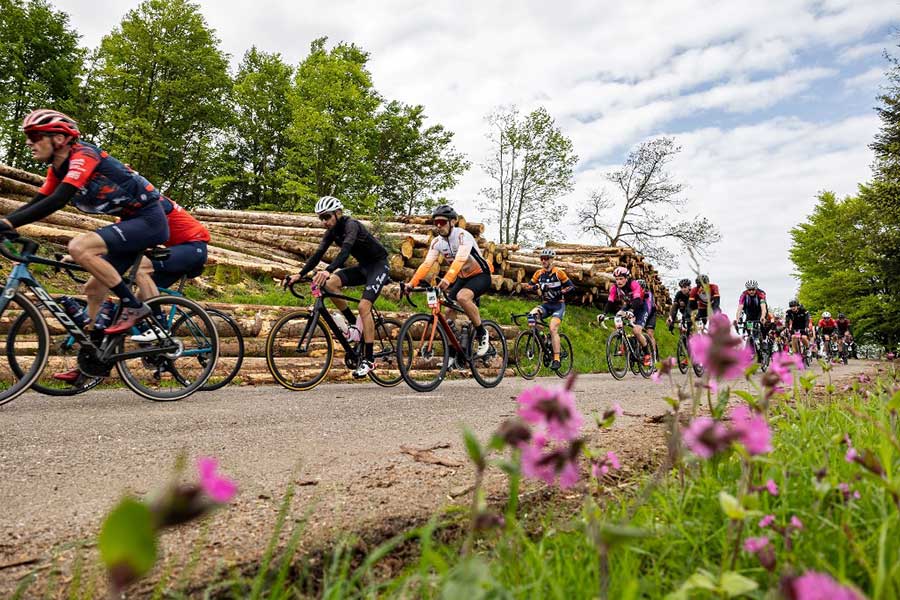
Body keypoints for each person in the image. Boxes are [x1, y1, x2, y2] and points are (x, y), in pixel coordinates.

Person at [0, 109, 169, 336]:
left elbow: (59, 199)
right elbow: (38, 202)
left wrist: (8, 224)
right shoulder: (57, 169)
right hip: (130, 222)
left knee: (80, 246)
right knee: (93, 290)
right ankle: (92, 360)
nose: (30, 143)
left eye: (36, 136)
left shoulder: (84, 155)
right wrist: (7, 222)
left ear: (59, 139)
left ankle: (133, 306)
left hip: (148, 220)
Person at [284, 195, 389, 378]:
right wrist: (299, 274)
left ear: (338, 213)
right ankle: (354, 326)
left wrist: (328, 269)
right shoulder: (332, 232)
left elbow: (346, 251)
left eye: (327, 217)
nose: (324, 222)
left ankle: (369, 359)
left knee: (364, 306)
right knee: (330, 284)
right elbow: (317, 254)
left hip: (379, 266)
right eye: (321, 218)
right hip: (363, 267)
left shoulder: (351, 225)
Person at [407, 205, 494, 357]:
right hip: (462, 277)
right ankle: (454, 354)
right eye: (436, 223)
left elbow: (460, 259)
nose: (439, 226)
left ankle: (482, 333)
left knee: (462, 297)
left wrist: (447, 279)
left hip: (481, 274)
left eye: (442, 222)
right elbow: (427, 264)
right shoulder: (437, 242)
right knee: (447, 312)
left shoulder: (463, 236)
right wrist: (412, 283)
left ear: (452, 222)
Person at [522, 248, 575, 371]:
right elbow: (529, 286)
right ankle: (543, 338)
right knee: (531, 316)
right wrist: (533, 287)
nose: (543, 261)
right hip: (546, 305)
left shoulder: (558, 273)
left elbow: (571, 287)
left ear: (552, 260)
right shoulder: (538, 273)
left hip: (558, 305)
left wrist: (561, 291)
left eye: (546, 258)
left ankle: (556, 358)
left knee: (552, 328)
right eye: (542, 258)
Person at [597, 266, 654, 367]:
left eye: (621, 279)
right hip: (628, 305)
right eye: (617, 279)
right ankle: (623, 342)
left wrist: (631, 311)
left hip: (641, 306)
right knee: (618, 317)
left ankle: (647, 354)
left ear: (626, 278)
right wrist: (604, 314)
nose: (618, 281)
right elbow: (610, 301)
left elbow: (637, 300)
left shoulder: (634, 284)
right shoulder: (615, 287)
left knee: (636, 331)